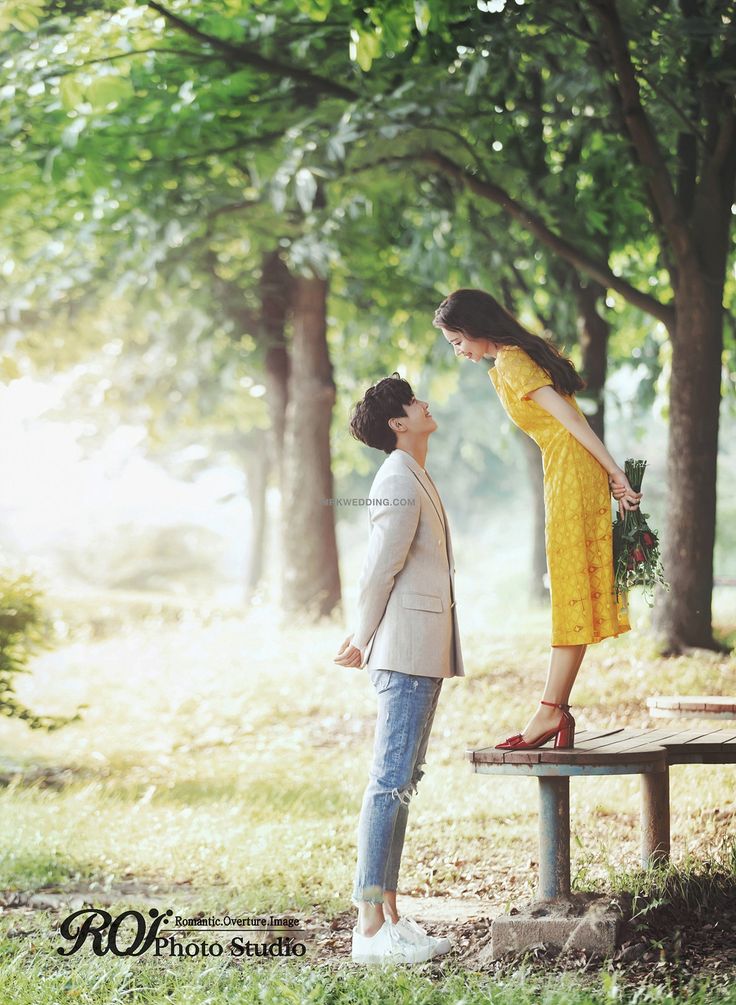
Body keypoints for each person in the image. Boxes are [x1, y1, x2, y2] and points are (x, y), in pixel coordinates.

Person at [433, 288, 641, 751]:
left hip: (572, 471)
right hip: (566, 468)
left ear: (474, 327)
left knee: (571, 589)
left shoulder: (511, 361)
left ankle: (550, 709)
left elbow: (571, 418)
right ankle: (554, 708)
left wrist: (614, 474)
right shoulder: (514, 358)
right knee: (573, 590)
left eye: (456, 340)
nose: (459, 350)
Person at [334, 372, 464, 964]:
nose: (425, 403)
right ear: (398, 422)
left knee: (402, 783)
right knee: (389, 782)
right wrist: (362, 637)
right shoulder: (396, 477)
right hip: (402, 651)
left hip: (419, 648)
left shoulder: (412, 472)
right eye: (414, 401)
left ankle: (389, 915)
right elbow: (377, 568)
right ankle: (368, 929)